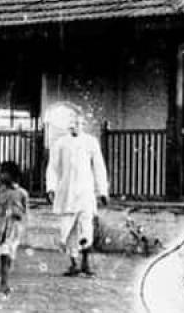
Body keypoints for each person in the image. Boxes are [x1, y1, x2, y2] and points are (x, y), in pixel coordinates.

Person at [46, 109, 109, 277]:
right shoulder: (60, 143)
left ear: (83, 124)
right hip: (67, 192)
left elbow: (99, 167)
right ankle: (73, 263)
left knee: (86, 227)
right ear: (67, 126)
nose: (76, 126)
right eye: (72, 124)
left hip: (85, 192)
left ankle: (86, 263)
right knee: (68, 229)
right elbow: (52, 167)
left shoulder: (91, 142)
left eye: (79, 123)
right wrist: (51, 188)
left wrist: (102, 190)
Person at [0, 161, 29, 294]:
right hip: (1, 228)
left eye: (4, 172)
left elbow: (25, 212)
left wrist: (20, 218)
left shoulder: (22, 193)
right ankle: (4, 282)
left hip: (15, 228)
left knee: (10, 254)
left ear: (13, 175)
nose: (1, 175)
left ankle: (4, 277)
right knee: (4, 254)